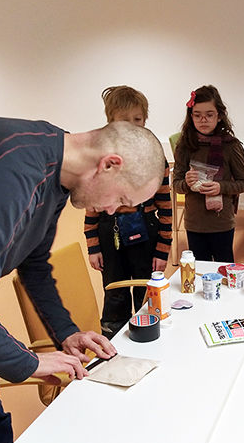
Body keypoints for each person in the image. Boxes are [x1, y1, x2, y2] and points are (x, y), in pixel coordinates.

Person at [0, 116, 165, 443]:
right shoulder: (17, 172)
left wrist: (66, 333)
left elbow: (34, 263)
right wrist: (26, 362)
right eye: (122, 200)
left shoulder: (56, 170)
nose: (112, 211)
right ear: (109, 164)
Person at [84, 86, 172, 337]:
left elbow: (166, 206)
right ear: (110, 122)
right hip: (110, 233)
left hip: (146, 229)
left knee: (146, 290)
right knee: (114, 291)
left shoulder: (156, 158)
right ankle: (113, 340)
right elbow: (91, 206)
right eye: (124, 120)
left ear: (145, 120)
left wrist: (163, 250)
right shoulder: (100, 158)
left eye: (138, 119)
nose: (132, 126)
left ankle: (148, 335)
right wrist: (93, 247)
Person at [172, 85, 244, 262]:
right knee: (199, 272)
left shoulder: (231, 146)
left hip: (221, 223)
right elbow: (176, 184)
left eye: (209, 114)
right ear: (191, 116)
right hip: (194, 223)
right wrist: (186, 182)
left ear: (219, 115)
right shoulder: (185, 145)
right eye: (197, 115)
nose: (203, 120)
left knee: (224, 270)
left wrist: (220, 187)